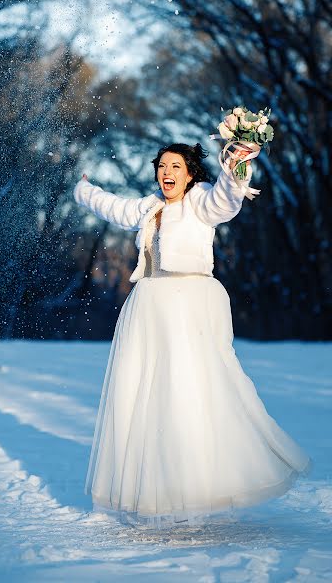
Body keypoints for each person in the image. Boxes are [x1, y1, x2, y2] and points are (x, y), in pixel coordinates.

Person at [73, 142, 312, 529]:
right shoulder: (149, 206)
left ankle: (202, 486)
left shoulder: (200, 201)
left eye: (176, 166)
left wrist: (235, 169)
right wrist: (83, 190)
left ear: (189, 173)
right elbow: (112, 207)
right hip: (149, 308)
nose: (167, 172)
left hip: (189, 305)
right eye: (162, 166)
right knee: (147, 397)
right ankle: (156, 489)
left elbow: (226, 199)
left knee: (190, 392)